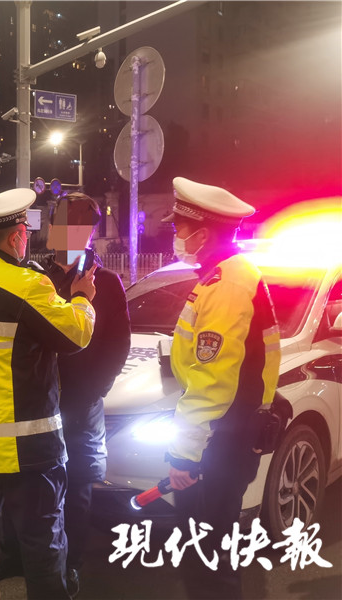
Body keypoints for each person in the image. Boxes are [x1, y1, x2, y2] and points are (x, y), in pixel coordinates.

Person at [0, 188, 97, 600]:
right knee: (43, 543)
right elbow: (74, 335)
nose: (28, 237)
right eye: (26, 230)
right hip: (27, 447)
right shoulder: (27, 284)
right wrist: (82, 297)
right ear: (15, 237)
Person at [0, 192, 131, 596]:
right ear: (51, 229)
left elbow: (117, 346)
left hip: (78, 405)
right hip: (34, 404)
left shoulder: (106, 283)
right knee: (23, 481)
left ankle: (70, 564)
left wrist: (92, 392)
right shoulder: (34, 277)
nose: (69, 234)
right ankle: (14, 554)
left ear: (91, 233)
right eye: (63, 225)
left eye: (80, 227)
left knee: (76, 489)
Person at [163, 177, 281, 599]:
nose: (175, 234)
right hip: (225, 435)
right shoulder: (223, 275)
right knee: (209, 547)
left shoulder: (228, 284)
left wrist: (184, 454)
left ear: (202, 233)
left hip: (219, 441)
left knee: (207, 554)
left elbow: (213, 382)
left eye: (179, 227)